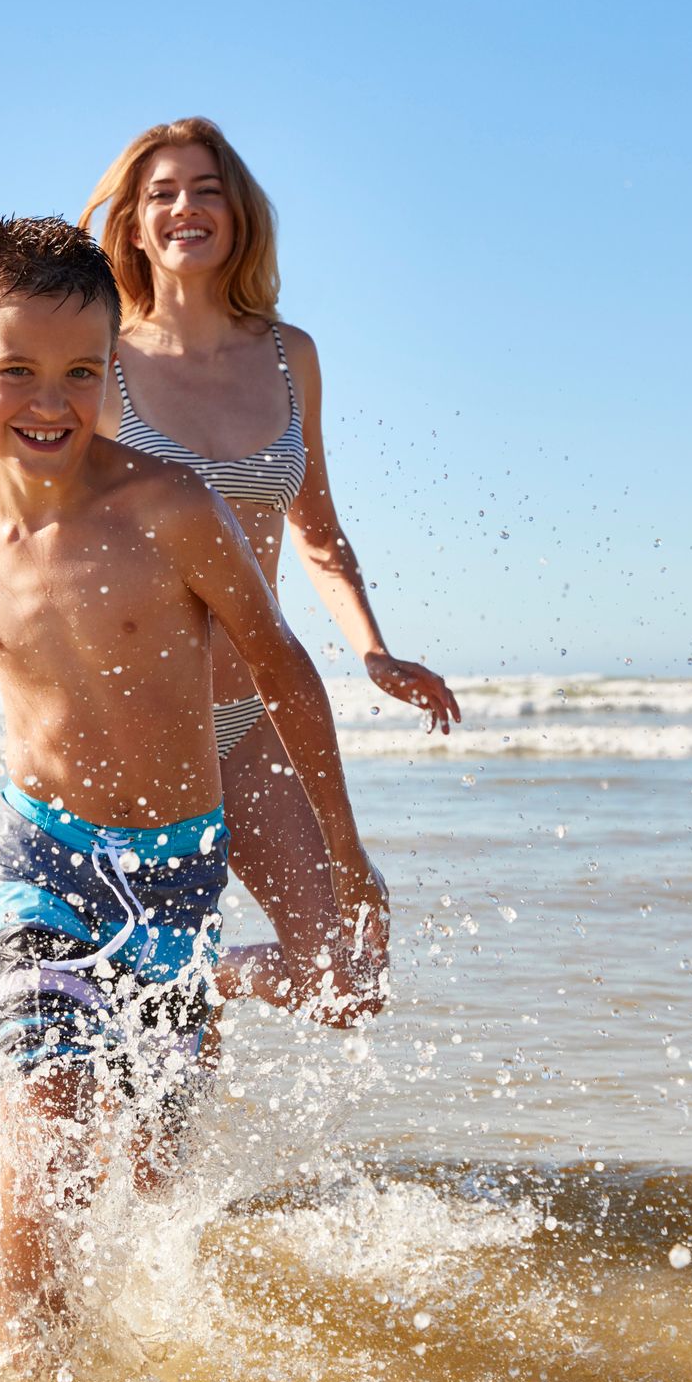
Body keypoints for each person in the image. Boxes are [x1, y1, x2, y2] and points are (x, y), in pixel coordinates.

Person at [0, 217, 385, 1353]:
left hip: (178, 875)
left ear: (115, 372)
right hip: (41, 868)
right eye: (15, 370)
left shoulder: (171, 509)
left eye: (80, 372)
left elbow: (283, 670)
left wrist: (346, 854)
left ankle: (206, 986)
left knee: (152, 1192)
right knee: (44, 1163)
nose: (48, 399)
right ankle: (19, 1352)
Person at [80, 117, 460, 1027]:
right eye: (162, 194)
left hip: (250, 714)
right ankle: (150, 1001)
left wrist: (372, 652)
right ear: (132, 224)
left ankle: (193, 986)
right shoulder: (98, 361)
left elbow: (317, 531)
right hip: (132, 719)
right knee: (129, 1047)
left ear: (238, 214)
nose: (185, 209)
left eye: (205, 190)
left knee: (347, 976)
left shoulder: (290, 357)